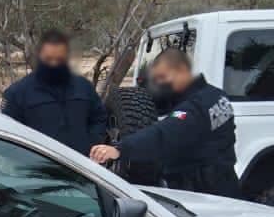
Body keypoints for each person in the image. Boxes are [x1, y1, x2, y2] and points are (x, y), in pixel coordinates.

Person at [90, 47, 238, 197]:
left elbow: (162, 135)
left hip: (203, 194)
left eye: (163, 76)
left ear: (181, 70)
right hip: (224, 183)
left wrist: (120, 149)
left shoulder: (194, 108)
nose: (160, 83)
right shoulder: (217, 95)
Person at [1, 29, 107, 155]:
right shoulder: (17, 93)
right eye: (49, 59)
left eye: (59, 59)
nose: (54, 64)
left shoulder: (84, 87)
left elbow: (99, 118)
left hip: (82, 167)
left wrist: (91, 144)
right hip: (39, 169)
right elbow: (8, 134)